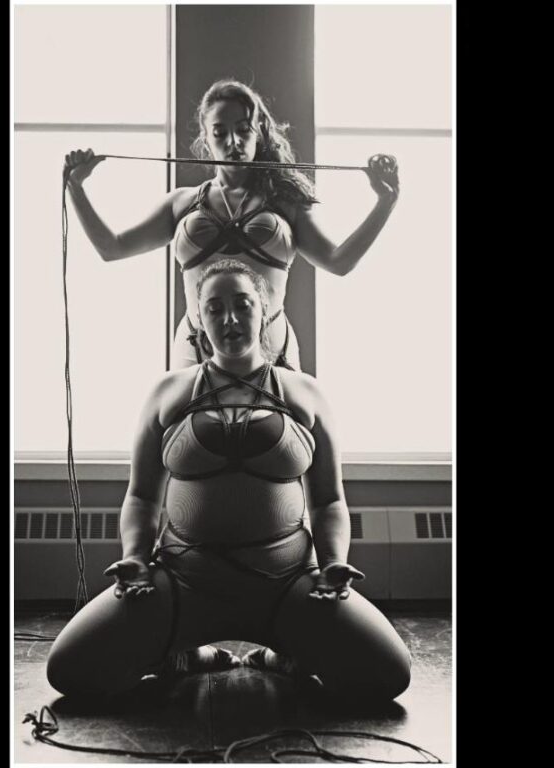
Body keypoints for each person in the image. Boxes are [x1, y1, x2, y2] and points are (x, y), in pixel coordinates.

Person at [46, 259, 411, 704]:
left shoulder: (305, 393)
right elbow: (141, 497)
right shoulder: (167, 392)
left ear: (265, 310)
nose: (230, 319)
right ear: (200, 319)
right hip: (184, 583)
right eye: (215, 308)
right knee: (69, 669)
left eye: (242, 304)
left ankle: (283, 656)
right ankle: (187, 655)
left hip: (286, 584)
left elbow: (329, 501)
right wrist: (136, 559)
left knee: (389, 674)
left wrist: (332, 564)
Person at [63, 79, 399, 370]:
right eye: (220, 132)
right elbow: (112, 248)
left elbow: (339, 262)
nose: (234, 142)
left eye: (243, 130)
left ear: (259, 132)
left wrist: (385, 202)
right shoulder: (181, 203)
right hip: (195, 353)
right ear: (206, 138)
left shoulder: (285, 201)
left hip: (272, 354)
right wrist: (76, 188)